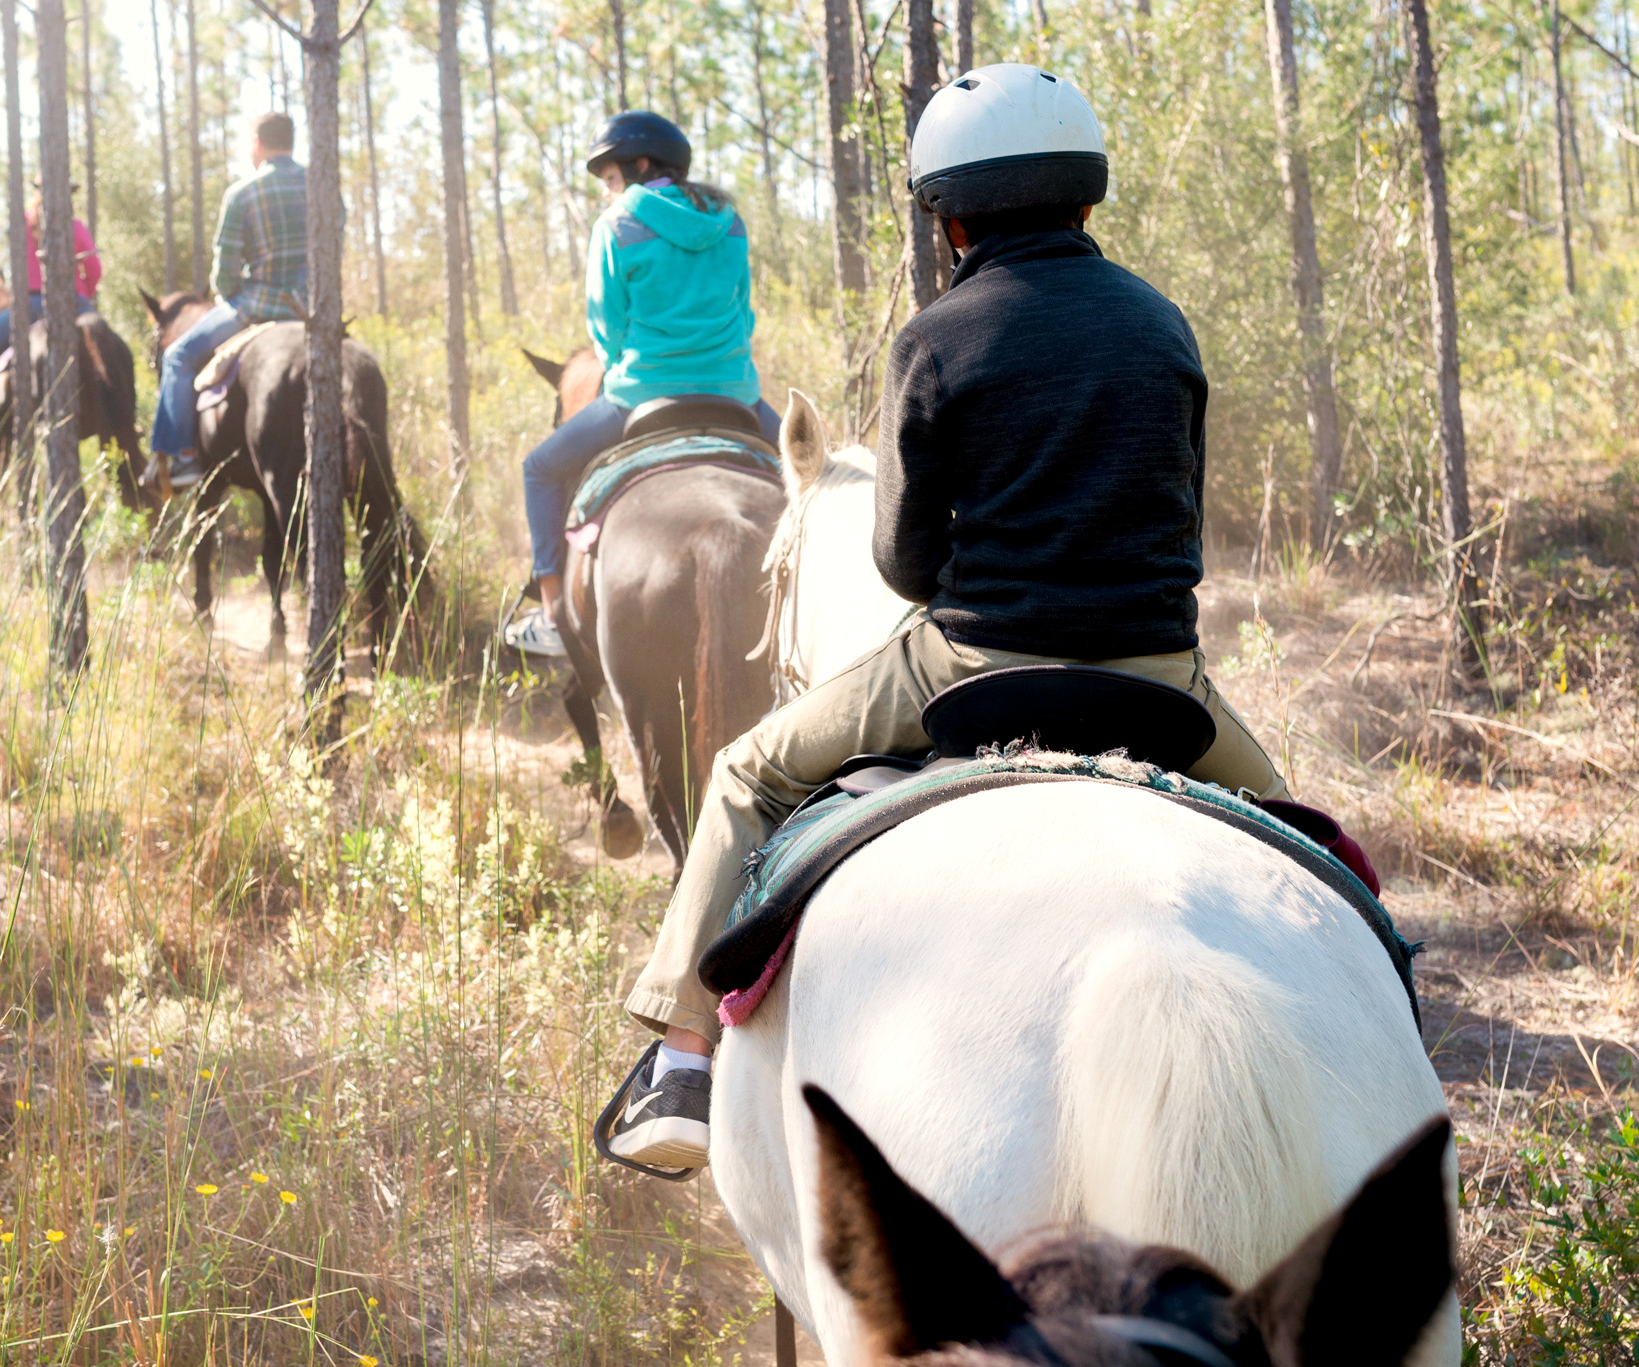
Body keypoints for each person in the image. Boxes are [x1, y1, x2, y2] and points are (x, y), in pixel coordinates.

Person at [601, 65, 1296, 1171]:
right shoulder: (1164, 327)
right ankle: (1390, 998)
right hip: (1160, 675)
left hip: (968, 664)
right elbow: (1181, 519)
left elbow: (904, 561)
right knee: (1306, 841)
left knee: (742, 771)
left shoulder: (934, 336)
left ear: (950, 217)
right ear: (1083, 198)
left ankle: (684, 1055)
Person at [501, 111, 782, 658]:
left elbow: (605, 329)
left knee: (539, 468)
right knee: (820, 477)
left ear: (642, 166)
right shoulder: (729, 221)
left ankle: (552, 612)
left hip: (640, 393)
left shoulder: (617, 224)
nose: (608, 191)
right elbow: (743, 316)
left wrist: (630, 365)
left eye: (609, 178)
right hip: (736, 393)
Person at [151, 110, 307, 490]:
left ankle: (183, 458)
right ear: (292, 141)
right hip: (312, 312)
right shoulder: (323, 186)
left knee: (177, 356)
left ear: (257, 143)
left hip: (257, 309)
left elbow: (225, 271)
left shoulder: (243, 192)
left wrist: (231, 294)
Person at [0, 187, 101, 434]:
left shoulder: (22, 224)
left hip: (33, 305)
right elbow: (94, 268)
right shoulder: (75, 225)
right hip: (76, 303)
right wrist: (83, 295)